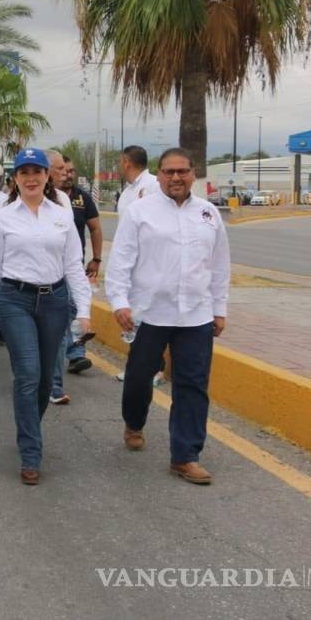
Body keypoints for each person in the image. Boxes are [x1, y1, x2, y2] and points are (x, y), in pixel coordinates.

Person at [106, 148, 230, 485]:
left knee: (192, 385)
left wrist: (219, 309)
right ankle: (134, 421)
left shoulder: (208, 214)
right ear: (159, 174)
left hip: (196, 315)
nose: (176, 177)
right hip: (149, 314)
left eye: (182, 171)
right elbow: (121, 260)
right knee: (137, 378)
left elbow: (219, 266)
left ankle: (185, 456)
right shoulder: (139, 212)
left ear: (193, 174)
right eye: (169, 171)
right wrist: (119, 301)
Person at [0, 148, 92, 485]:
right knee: (27, 373)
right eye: (24, 172)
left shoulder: (61, 214)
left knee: (43, 380)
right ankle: (30, 451)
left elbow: (73, 265)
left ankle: (29, 426)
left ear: (46, 176)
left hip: (54, 300)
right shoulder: (3, 218)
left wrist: (83, 309)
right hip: (15, 301)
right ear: (15, 178)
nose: (31, 178)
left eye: (36, 172)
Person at [49, 157, 104, 405]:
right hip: (46, 274)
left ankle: (75, 355)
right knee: (60, 321)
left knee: (72, 312)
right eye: (61, 169)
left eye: (69, 170)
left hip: (73, 267)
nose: (66, 174)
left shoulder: (80, 199)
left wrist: (97, 259)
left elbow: (95, 228)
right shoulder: (34, 197)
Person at [115, 144, 166, 386]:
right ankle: (137, 367)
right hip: (130, 265)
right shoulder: (127, 192)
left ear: (126, 162)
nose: (118, 166)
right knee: (133, 318)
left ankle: (156, 368)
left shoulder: (154, 185)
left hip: (151, 263)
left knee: (150, 318)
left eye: (119, 161)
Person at [116, 145, 160, 215]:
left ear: (126, 163)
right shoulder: (125, 192)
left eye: (120, 162)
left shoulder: (156, 185)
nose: (118, 166)